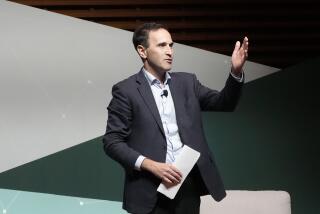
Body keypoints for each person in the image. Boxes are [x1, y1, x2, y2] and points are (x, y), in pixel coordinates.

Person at [103, 22, 249, 214]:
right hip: (149, 189)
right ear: (142, 51)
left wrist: (236, 72)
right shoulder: (126, 91)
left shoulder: (188, 83)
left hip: (187, 185)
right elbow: (112, 141)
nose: (169, 51)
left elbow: (224, 103)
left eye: (171, 45)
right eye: (162, 45)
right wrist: (150, 165)